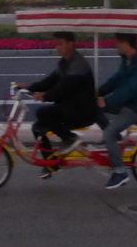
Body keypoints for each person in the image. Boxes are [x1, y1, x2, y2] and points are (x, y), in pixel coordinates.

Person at [21, 31, 97, 179]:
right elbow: (50, 81)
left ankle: (70, 138)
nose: (57, 47)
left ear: (70, 44)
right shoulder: (65, 62)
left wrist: (44, 96)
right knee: (38, 127)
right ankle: (51, 164)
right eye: (56, 44)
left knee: (43, 112)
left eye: (60, 43)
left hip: (82, 111)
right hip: (70, 107)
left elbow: (62, 89)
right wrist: (29, 88)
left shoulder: (78, 65)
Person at [96, 33, 137, 190]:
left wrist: (106, 101)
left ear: (127, 44)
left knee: (108, 134)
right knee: (94, 108)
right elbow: (115, 80)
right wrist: (98, 93)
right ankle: (113, 141)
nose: (116, 45)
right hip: (126, 104)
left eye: (118, 43)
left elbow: (129, 91)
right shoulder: (127, 61)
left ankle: (120, 173)